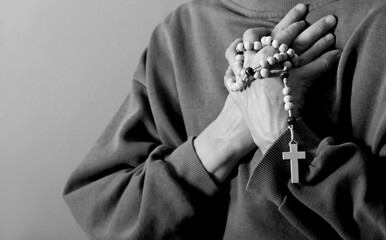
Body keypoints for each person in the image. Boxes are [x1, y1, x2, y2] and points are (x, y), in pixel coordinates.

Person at [63, 0, 386, 239]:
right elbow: (106, 217)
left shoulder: (378, 25)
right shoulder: (179, 33)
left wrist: (277, 131)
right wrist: (227, 134)